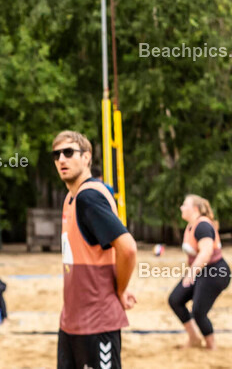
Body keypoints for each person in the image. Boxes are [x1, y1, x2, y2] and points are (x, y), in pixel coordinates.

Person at [52, 130, 137, 369]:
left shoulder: (89, 197)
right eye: (56, 154)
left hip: (96, 322)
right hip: (72, 321)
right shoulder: (72, 198)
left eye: (69, 152)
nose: (61, 159)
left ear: (87, 157)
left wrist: (120, 290)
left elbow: (128, 249)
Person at [168, 194, 229, 350]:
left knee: (198, 312)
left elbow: (206, 253)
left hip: (216, 272)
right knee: (175, 299)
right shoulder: (191, 226)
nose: (181, 207)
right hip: (203, 271)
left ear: (194, 209)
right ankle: (194, 337)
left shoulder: (202, 226)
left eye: (184, 204)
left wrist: (191, 273)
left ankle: (211, 346)